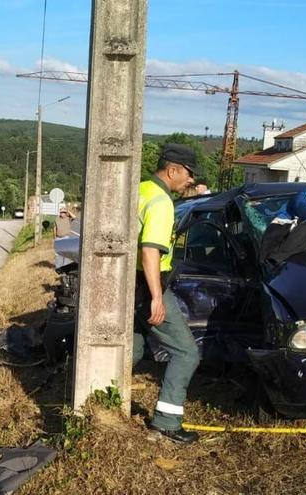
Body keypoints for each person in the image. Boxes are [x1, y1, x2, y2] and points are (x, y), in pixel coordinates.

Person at [133, 143, 201, 444]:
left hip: (129, 285)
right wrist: (157, 297)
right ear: (172, 170)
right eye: (188, 174)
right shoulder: (161, 202)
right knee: (186, 353)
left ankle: (96, 396)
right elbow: (149, 251)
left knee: (132, 349)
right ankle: (167, 422)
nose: (191, 181)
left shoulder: (140, 189)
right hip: (149, 285)